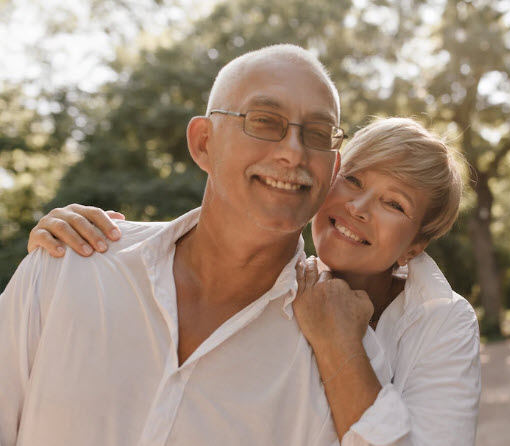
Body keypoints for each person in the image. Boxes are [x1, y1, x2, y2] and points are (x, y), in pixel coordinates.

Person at [0, 44, 394, 446]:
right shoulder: (66, 266)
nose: (293, 152)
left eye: (316, 134)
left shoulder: (347, 357)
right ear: (203, 142)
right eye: (264, 121)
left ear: (333, 169)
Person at [28, 117, 481, 444]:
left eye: (394, 204)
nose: (358, 206)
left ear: (413, 248)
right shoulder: (274, 281)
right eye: (353, 179)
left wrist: (339, 343)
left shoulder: (443, 321)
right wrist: (84, 240)